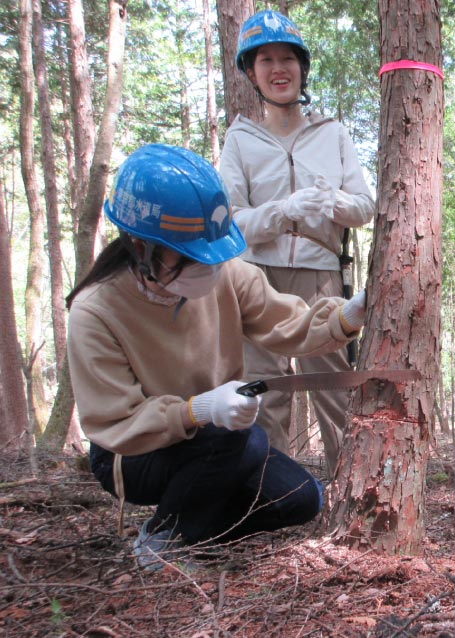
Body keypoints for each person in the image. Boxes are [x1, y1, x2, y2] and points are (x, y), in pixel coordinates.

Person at [67, 144, 367, 571]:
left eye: (210, 253)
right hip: (133, 452)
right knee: (246, 440)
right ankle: (164, 538)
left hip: (219, 443)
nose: (205, 268)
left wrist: (347, 314)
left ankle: (195, 530)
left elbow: (289, 325)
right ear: (139, 245)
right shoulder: (96, 310)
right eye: (187, 256)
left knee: (302, 498)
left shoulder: (228, 274)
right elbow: (116, 422)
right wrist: (199, 409)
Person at [219, 9, 375, 474]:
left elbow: (366, 208)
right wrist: (282, 211)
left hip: (320, 272)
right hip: (254, 278)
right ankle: (274, 494)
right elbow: (230, 222)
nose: (278, 68)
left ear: (302, 68)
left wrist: (333, 202)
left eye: (287, 58)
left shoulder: (334, 134)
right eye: (264, 59)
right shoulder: (239, 140)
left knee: (333, 386)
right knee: (263, 388)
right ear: (251, 71)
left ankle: (349, 490)